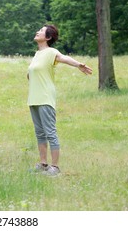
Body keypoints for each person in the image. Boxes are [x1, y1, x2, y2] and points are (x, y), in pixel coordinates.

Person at [27, 24, 92, 176]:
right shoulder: (37, 54)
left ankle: (55, 167)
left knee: (50, 132)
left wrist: (78, 65)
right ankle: (43, 164)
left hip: (45, 98)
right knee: (39, 133)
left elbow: (63, 58)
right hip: (33, 99)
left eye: (41, 31)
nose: (37, 32)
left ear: (48, 37)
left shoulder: (51, 52)